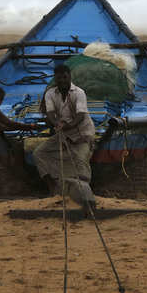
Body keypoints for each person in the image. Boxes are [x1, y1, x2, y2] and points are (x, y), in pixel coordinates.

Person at [33, 65, 96, 199]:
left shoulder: (79, 93)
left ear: (69, 76)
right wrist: (56, 123)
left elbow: (81, 115)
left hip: (82, 134)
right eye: (59, 78)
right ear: (55, 79)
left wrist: (67, 126)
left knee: (81, 161)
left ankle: (84, 193)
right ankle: (53, 187)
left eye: (64, 77)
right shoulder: (50, 93)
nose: (62, 80)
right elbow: (50, 113)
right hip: (64, 134)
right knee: (39, 152)